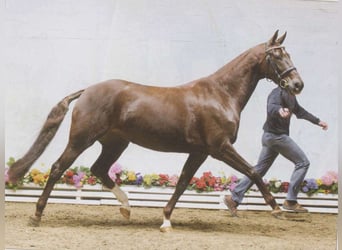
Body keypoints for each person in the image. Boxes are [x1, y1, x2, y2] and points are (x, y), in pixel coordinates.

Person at [224, 85, 328, 216]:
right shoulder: (277, 92)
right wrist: (279, 110)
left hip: (270, 137)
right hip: (276, 137)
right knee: (303, 162)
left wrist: (318, 121)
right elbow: (271, 107)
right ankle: (290, 201)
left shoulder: (290, 96)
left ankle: (233, 199)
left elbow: (300, 112)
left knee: (258, 171)